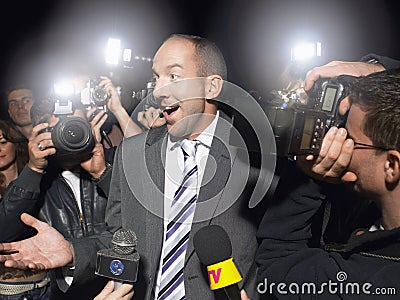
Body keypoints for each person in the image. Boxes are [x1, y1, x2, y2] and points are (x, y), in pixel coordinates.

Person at [0, 34, 271, 300]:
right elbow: (121, 239)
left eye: (173, 76)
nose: (158, 91)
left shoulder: (257, 158)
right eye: (156, 78)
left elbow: (281, 249)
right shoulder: (132, 153)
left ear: (211, 87)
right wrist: (73, 252)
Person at [256, 70, 400, 299]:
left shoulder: (367, 280)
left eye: (348, 138)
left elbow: (277, 264)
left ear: (391, 165)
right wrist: (372, 66)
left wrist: (308, 177)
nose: (334, 138)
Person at [0, 96, 113, 300]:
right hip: (64, 293)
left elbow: (137, 224)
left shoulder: (112, 164)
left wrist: (102, 174)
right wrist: (34, 169)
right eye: (61, 128)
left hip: (117, 285)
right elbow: (5, 233)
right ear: (41, 134)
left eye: (77, 126)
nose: (71, 134)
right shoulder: (38, 182)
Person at [0, 120, 51, 300]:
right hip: (7, 289)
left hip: (47, 283)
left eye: (2, 142)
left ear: (16, 144)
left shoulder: (44, 181)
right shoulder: (34, 174)